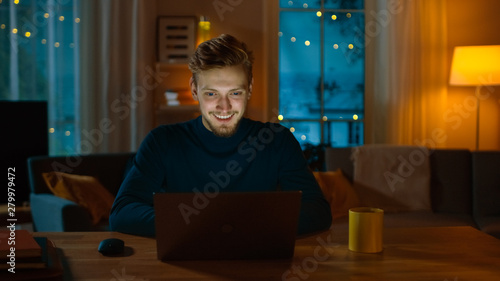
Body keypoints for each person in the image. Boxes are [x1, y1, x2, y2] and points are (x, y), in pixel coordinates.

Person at [109, 34, 332, 237]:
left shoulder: (277, 140)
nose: (224, 107)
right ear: (194, 89)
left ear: (250, 88)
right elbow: (123, 211)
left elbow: (317, 210)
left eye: (235, 93)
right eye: (212, 93)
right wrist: (197, 225)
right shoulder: (163, 142)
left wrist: (241, 225)